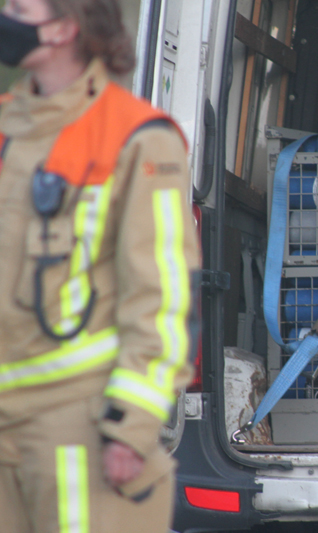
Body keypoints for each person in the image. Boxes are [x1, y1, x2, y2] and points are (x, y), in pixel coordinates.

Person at [0, 0, 200, 531]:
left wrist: (132, 427)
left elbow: (164, 296)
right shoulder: (6, 129)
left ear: (64, 28)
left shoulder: (139, 138)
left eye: (20, 8)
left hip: (76, 421)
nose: (7, 17)